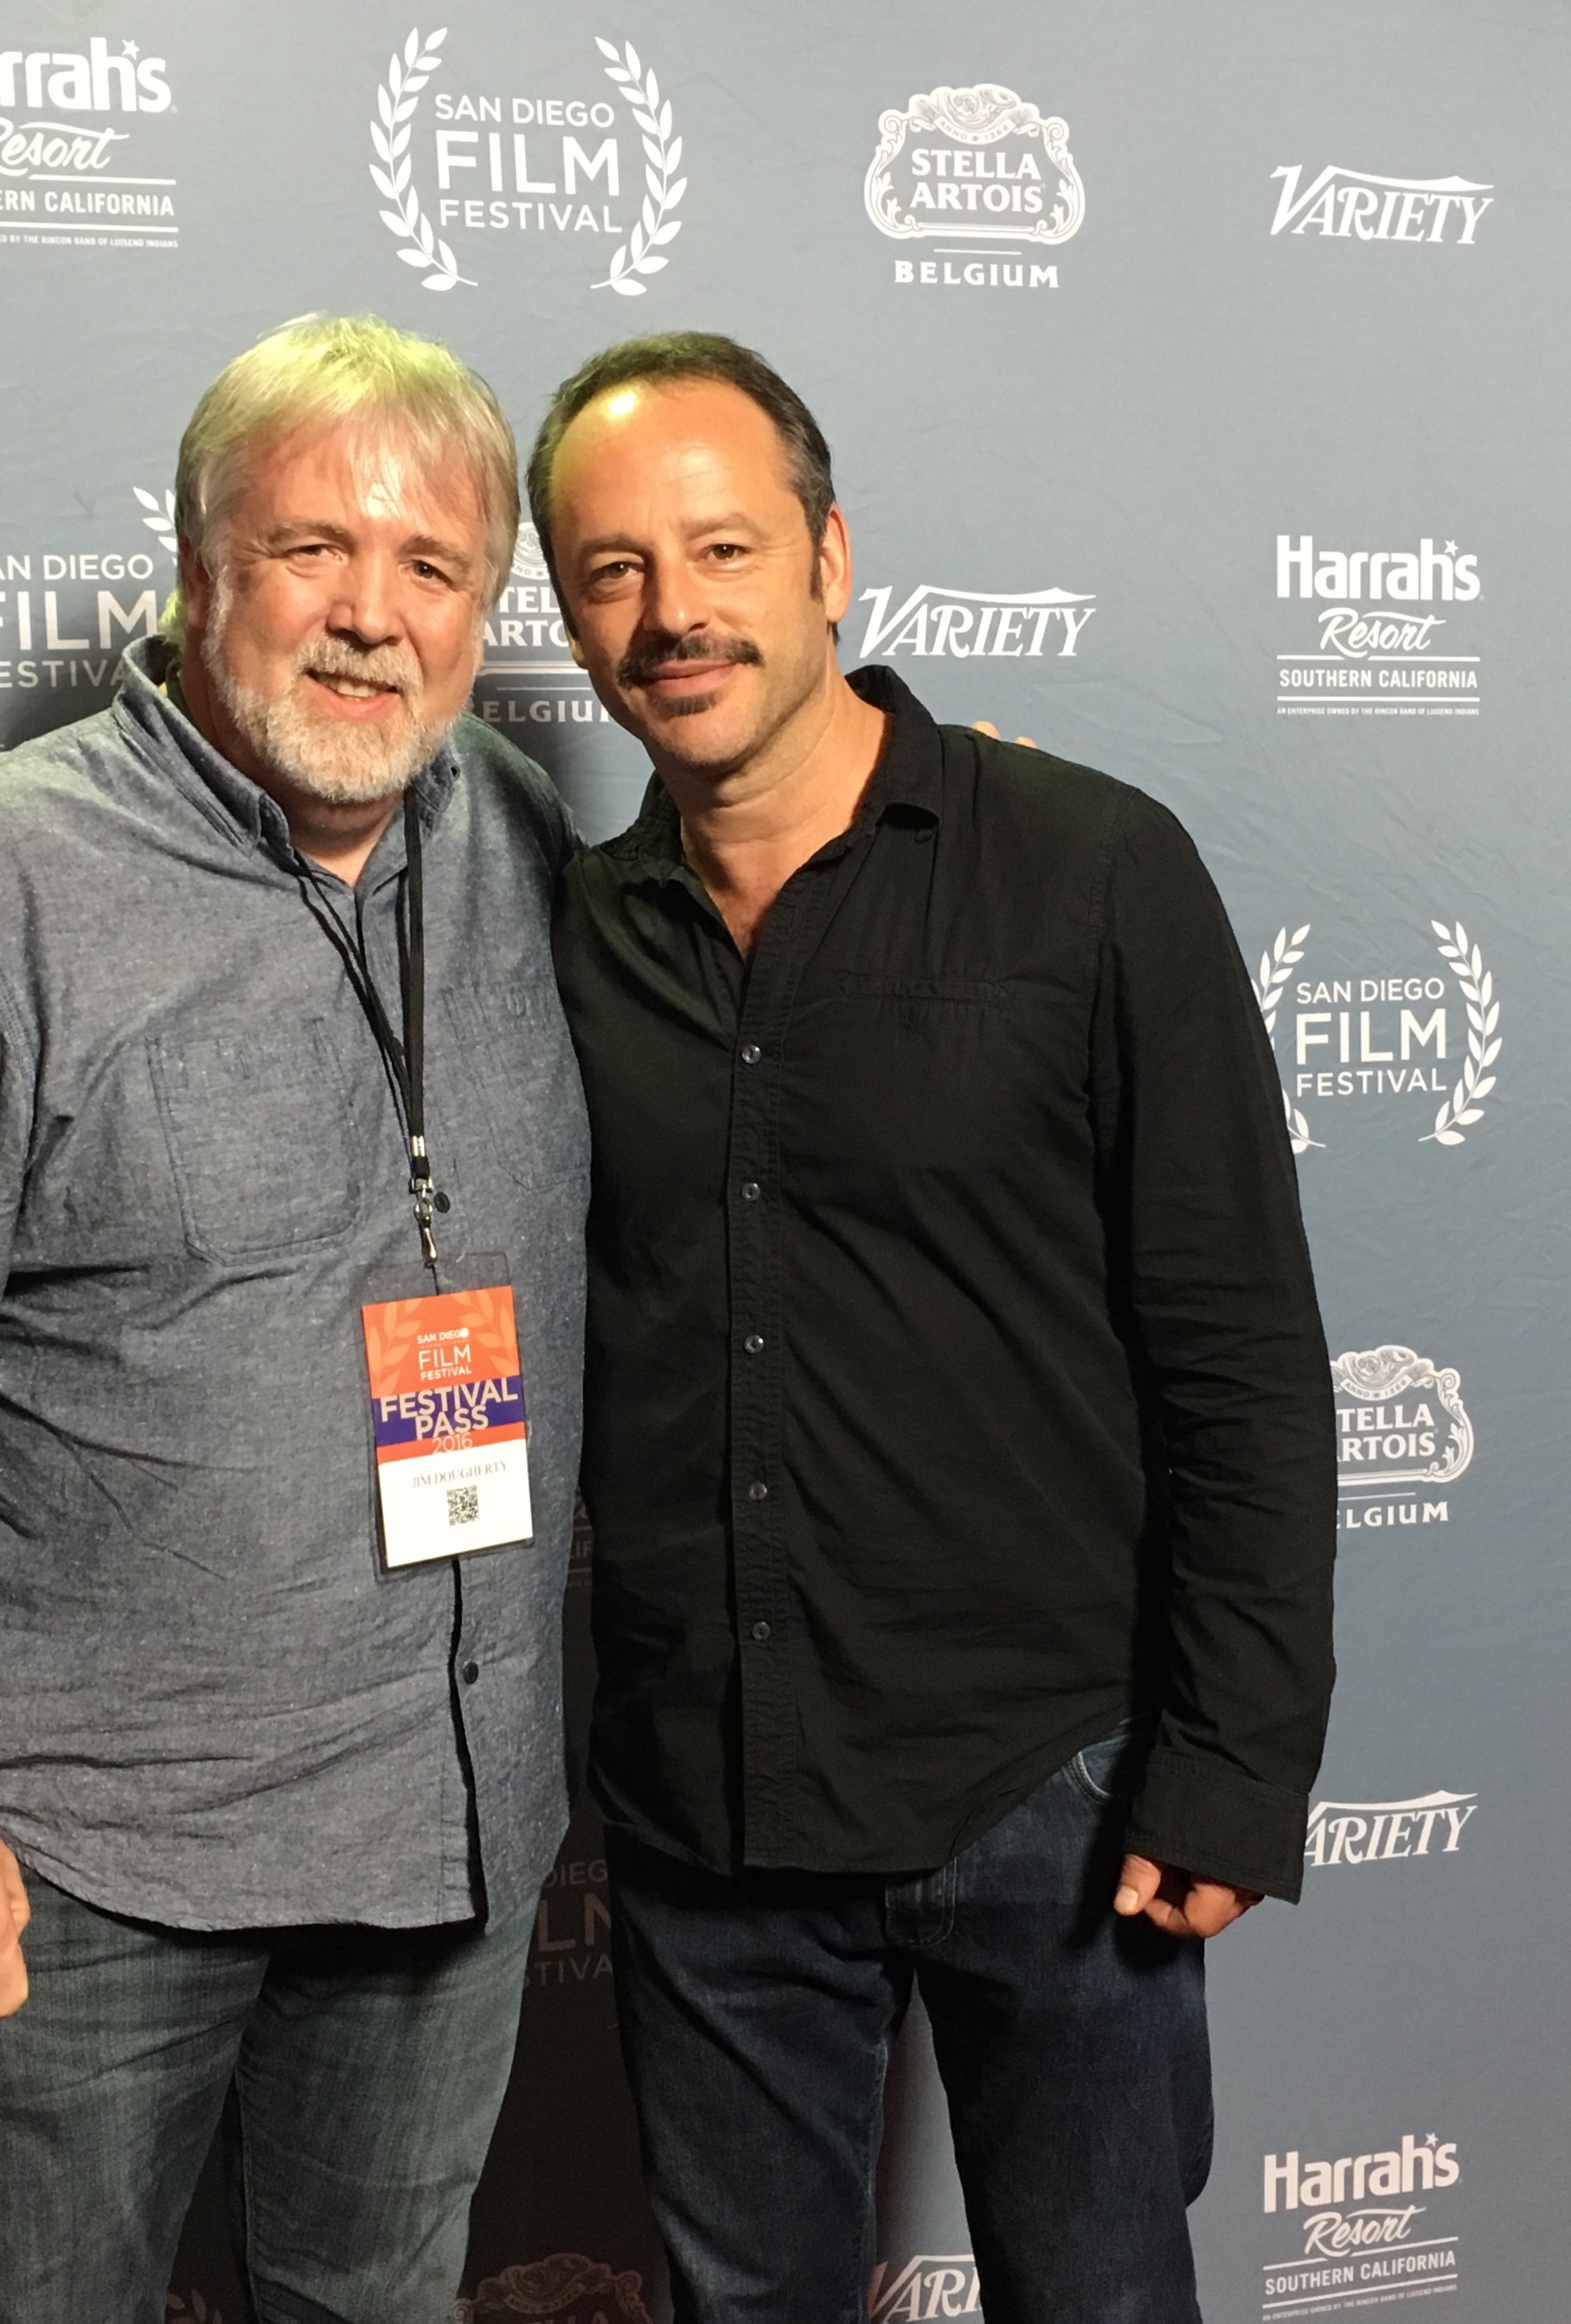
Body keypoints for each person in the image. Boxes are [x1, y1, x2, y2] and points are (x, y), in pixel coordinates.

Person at [0, 314, 588, 2323]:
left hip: (444, 1822)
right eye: (310, 551)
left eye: (432, 568)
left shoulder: (513, 836)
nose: (371, 617)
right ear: (200, 571)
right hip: (86, 1859)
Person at [532, 333, 1342, 2324]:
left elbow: (1237, 1343)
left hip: (1054, 1795)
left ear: (830, 557)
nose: (672, 611)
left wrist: (1235, 1761)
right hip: (705, 1819)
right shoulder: (555, 935)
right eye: (614, 569)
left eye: (721, 548)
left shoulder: (1091, 871)